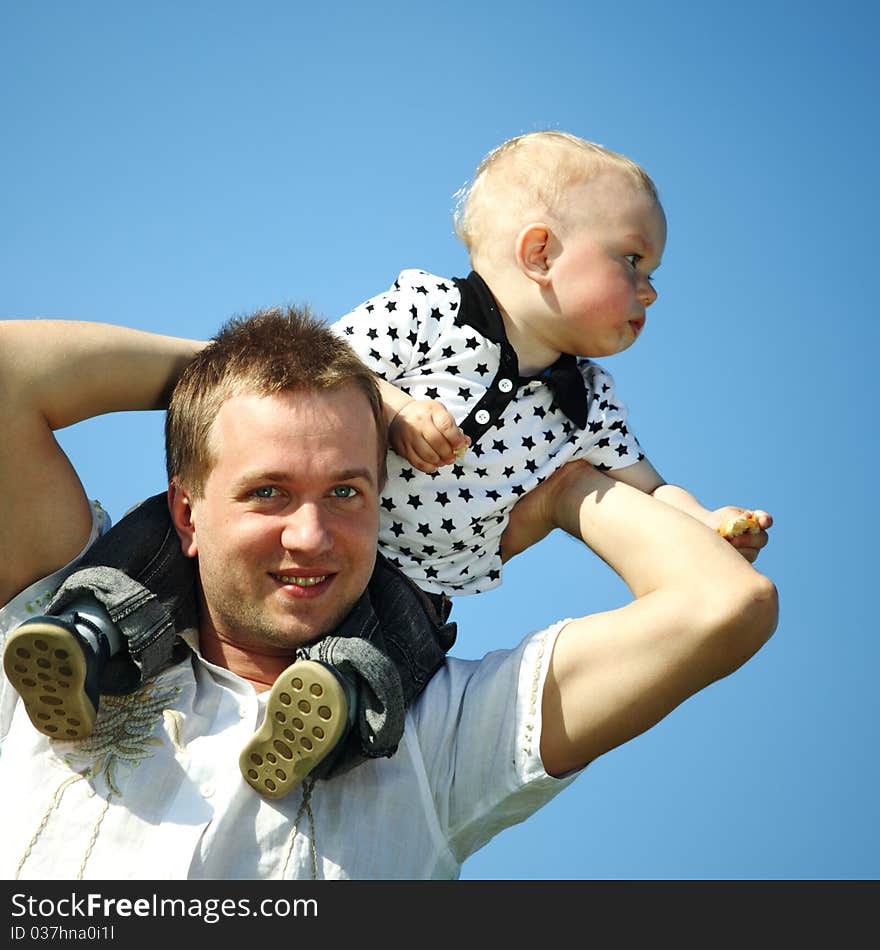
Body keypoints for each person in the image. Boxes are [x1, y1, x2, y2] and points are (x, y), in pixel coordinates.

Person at [2, 131, 772, 793]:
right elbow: (315, 373)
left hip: (416, 578)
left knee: (395, 652)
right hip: (309, 534)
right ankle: (84, 640)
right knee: (158, 553)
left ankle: (324, 716)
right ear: (539, 251)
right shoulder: (428, 310)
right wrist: (391, 408)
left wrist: (705, 523)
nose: (651, 289)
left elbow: (648, 484)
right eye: (633, 261)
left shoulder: (589, 404)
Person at [0, 311, 777, 879]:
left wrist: (570, 487)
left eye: (346, 492)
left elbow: (722, 605)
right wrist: (232, 371)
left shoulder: (447, 732)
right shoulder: (59, 611)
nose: (310, 535)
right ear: (187, 514)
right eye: (268, 491)